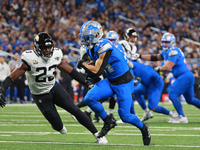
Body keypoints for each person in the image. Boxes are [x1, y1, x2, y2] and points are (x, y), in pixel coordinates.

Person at [0, 32, 107, 144]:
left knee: (74, 109)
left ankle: (98, 135)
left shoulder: (56, 55)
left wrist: (86, 82)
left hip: (54, 87)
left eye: (49, 47)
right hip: (40, 94)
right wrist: (1, 90)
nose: (47, 50)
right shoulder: (30, 59)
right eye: (43, 47)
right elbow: (12, 77)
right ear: (37, 48)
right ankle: (59, 127)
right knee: (58, 127)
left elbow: (70, 71)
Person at [78, 21, 151, 145]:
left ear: (96, 36)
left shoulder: (104, 46)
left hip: (124, 83)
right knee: (89, 98)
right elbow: (95, 65)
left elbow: (97, 70)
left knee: (125, 116)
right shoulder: (91, 48)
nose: (85, 41)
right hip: (111, 80)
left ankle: (144, 128)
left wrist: (83, 65)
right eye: (84, 38)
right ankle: (108, 121)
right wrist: (86, 66)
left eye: (87, 38)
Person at [135, 32, 200, 123]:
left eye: (167, 42)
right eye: (163, 42)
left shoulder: (173, 51)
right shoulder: (167, 51)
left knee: (172, 94)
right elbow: (155, 57)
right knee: (190, 100)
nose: (164, 44)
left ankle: (182, 117)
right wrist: (140, 56)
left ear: (172, 42)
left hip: (185, 76)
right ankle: (181, 116)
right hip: (186, 76)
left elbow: (167, 67)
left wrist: (157, 69)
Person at [106, 29, 154, 122]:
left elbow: (132, 59)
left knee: (128, 93)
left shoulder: (133, 47)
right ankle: (131, 114)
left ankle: (130, 115)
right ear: (127, 36)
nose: (133, 39)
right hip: (122, 70)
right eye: (131, 37)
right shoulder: (122, 44)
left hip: (129, 71)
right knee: (125, 94)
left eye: (134, 37)